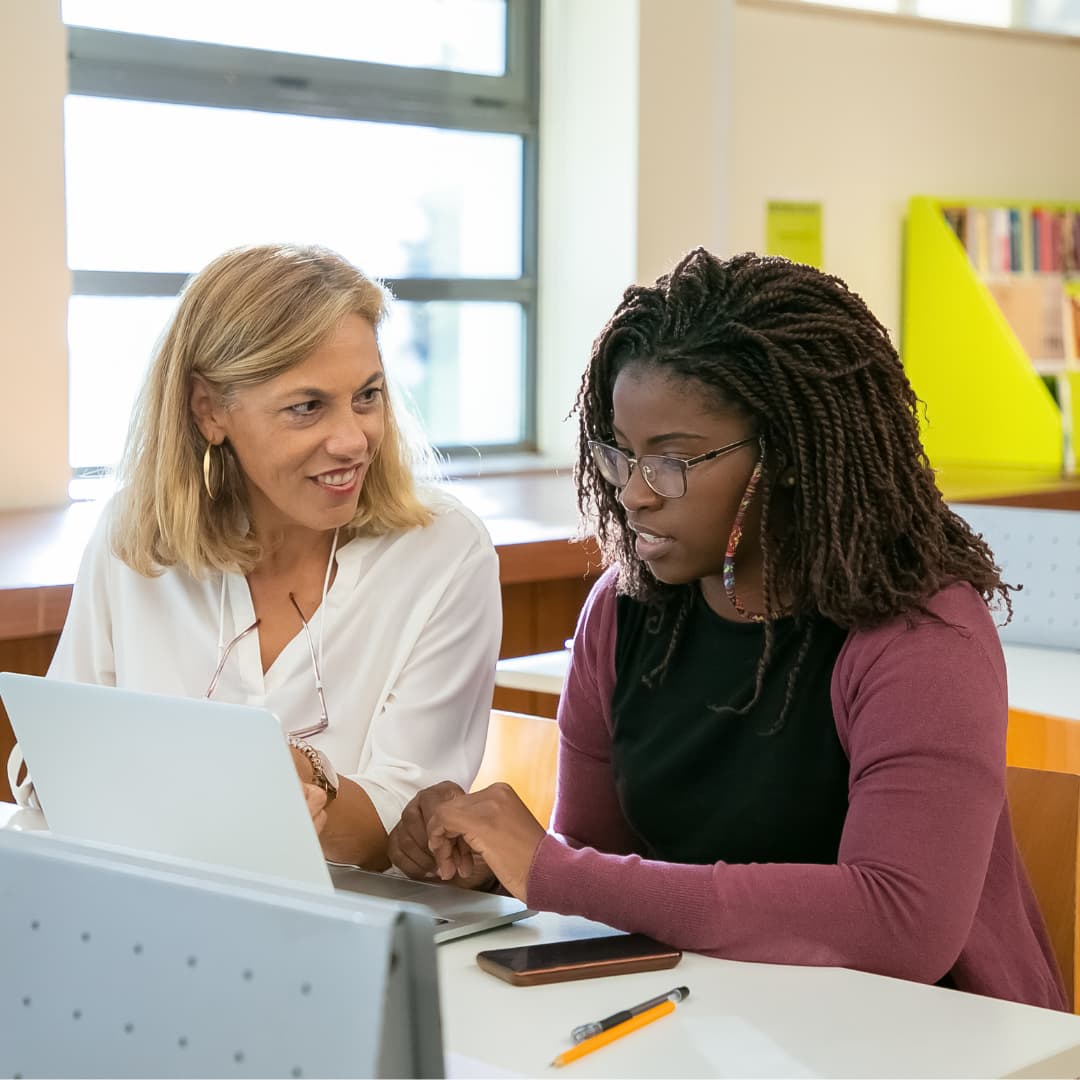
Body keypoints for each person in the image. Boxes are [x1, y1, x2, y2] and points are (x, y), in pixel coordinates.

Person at [388, 248, 1067, 1009]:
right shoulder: (623, 612)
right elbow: (600, 868)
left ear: (790, 455)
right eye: (620, 454)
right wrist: (494, 863)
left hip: (933, 1034)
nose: (635, 496)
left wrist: (551, 869)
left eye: (673, 461)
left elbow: (901, 924)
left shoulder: (919, 634)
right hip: (710, 1016)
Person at [9, 243, 502, 871]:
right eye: (307, 407)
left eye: (368, 396)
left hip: (348, 924)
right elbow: (46, 761)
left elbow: (409, 829)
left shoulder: (444, 553)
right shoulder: (136, 535)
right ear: (209, 410)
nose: (353, 439)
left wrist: (307, 786)